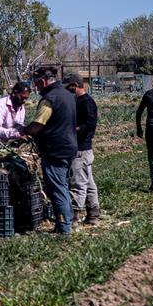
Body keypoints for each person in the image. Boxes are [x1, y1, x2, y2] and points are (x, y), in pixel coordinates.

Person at [20, 67, 77, 235]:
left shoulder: (49, 99)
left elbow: (38, 125)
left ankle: (64, 228)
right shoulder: (67, 95)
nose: (35, 88)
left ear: (43, 81)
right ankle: (67, 222)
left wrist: (25, 131)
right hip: (69, 147)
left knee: (57, 189)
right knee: (63, 186)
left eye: (37, 84)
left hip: (55, 150)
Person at [64, 73, 100, 225]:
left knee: (77, 183)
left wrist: (74, 129)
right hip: (85, 150)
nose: (67, 89)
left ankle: (74, 217)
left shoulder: (86, 102)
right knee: (89, 183)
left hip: (81, 149)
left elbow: (90, 124)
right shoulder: (79, 101)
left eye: (69, 86)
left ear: (76, 86)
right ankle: (93, 214)